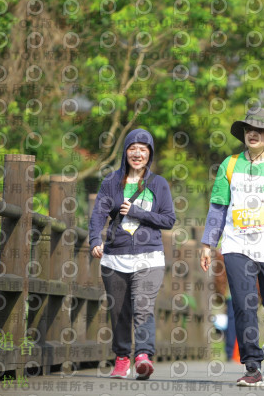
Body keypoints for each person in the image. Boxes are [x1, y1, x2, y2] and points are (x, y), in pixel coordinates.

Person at [199, 107, 264, 387]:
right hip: (237, 245)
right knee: (245, 306)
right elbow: (218, 207)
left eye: (259, 129)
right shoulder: (229, 164)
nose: (252, 133)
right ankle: (252, 366)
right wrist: (209, 242)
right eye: (248, 129)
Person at [89, 128, 176, 380]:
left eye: (143, 149)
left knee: (142, 307)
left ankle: (143, 357)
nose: (137, 154)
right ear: (125, 152)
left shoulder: (158, 184)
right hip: (115, 257)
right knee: (119, 311)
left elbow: (169, 219)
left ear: (150, 154)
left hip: (149, 258)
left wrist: (138, 212)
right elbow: (98, 215)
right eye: (132, 148)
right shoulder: (110, 183)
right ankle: (122, 357)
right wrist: (95, 239)